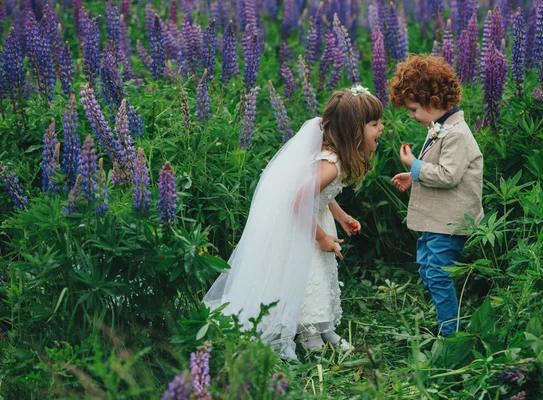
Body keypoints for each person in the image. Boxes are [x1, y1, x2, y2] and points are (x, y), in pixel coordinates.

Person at [203, 86, 384, 359]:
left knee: (322, 275)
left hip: (314, 220)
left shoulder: (336, 162)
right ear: (353, 131)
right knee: (307, 274)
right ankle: (310, 335)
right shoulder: (331, 165)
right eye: (374, 124)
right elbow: (299, 200)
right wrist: (320, 236)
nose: (381, 128)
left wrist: (341, 216)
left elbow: (322, 195)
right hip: (302, 225)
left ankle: (324, 327)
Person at [389, 55, 484, 337]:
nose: (411, 115)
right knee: (429, 271)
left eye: (413, 109)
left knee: (439, 275)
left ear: (434, 102)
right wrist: (414, 176)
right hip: (435, 221)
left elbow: (448, 175)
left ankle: (450, 334)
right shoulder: (440, 127)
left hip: (450, 223)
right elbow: (440, 170)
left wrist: (414, 166)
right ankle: (448, 322)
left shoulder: (456, 134)